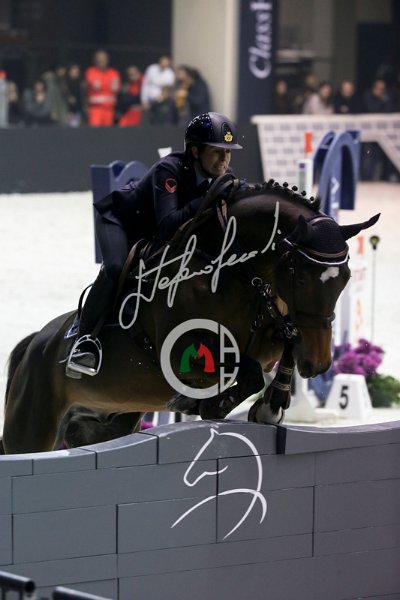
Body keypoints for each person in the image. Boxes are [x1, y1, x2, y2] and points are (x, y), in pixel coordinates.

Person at [66, 112, 243, 376]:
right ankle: (83, 340)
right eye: (217, 152)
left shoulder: (222, 176)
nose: (224, 160)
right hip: (121, 221)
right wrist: (209, 197)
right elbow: (169, 225)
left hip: (153, 231)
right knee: (115, 268)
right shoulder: (168, 170)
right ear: (195, 151)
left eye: (228, 152)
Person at [85, 50, 121, 126]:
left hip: (109, 108)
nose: (101, 60)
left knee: (107, 131)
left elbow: (116, 89)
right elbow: (94, 86)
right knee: (95, 130)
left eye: (103, 58)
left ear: (107, 60)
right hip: (95, 108)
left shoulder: (114, 73)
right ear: (95, 60)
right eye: (99, 58)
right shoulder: (91, 72)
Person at [140, 55, 175, 124]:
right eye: (163, 61)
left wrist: (161, 98)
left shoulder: (170, 74)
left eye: (166, 62)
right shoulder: (151, 69)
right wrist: (144, 99)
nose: (164, 63)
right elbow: (145, 85)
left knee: (158, 120)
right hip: (149, 100)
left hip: (161, 101)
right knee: (146, 120)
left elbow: (167, 89)